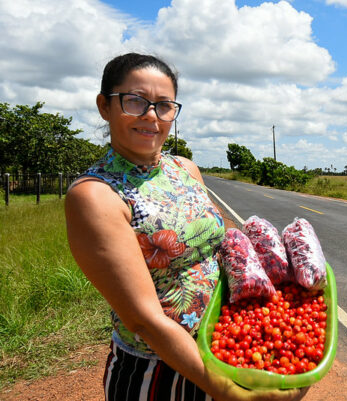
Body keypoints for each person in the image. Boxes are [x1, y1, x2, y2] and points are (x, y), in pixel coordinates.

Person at [65, 53, 308, 401]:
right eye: (135, 101)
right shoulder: (96, 195)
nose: (151, 115)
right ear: (105, 106)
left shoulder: (185, 169)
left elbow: (222, 247)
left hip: (222, 346)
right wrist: (231, 394)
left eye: (164, 105)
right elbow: (144, 321)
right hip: (157, 370)